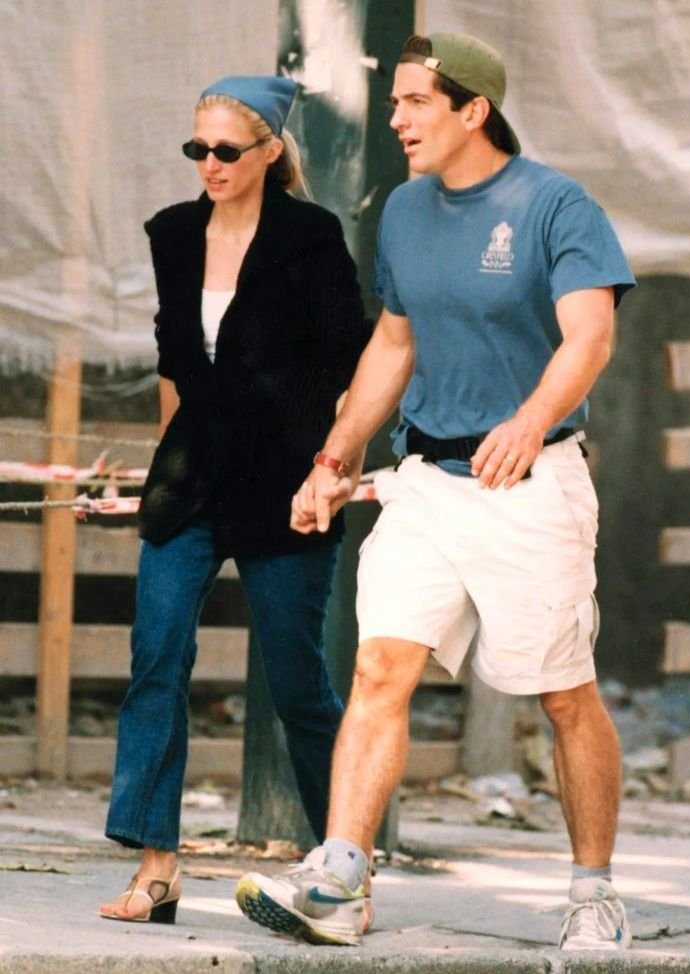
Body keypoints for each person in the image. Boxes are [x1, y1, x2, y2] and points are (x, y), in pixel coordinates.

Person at [235, 33, 637, 951]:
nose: (398, 120)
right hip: (426, 480)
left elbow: (589, 338)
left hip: (533, 485)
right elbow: (394, 345)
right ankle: (340, 877)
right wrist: (334, 460)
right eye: (396, 104)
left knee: (564, 693)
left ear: (472, 110)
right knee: (381, 668)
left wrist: (531, 420)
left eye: (415, 101)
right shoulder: (408, 211)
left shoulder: (555, 206)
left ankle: (594, 893)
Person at [99, 75, 370, 923]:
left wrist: (332, 467)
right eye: (198, 150)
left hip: (286, 479)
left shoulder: (311, 236)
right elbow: (176, 368)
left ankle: (343, 867)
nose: (209, 165)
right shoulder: (173, 234)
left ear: (268, 154)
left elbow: (351, 364)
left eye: (226, 151)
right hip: (193, 478)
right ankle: (157, 864)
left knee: (297, 682)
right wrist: (158, 471)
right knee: (156, 658)